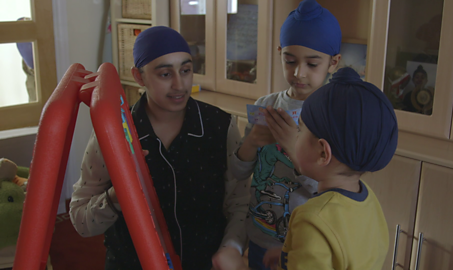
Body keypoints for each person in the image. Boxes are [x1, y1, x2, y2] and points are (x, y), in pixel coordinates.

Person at [69, 26, 250, 270]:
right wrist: (120, 191)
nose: (179, 84)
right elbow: (81, 221)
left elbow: (240, 202)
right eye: (165, 74)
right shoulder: (113, 133)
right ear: (139, 76)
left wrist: (232, 246)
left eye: (185, 70)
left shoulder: (220, 126)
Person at [229, 0, 342, 269]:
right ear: (279, 52)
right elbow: (238, 172)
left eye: (312, 64)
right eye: (289, 60)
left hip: (305, 244)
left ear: (333, 63)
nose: (298, 72)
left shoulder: (333, 117)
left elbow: (335, 192)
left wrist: (295, 149)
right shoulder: (266, 104)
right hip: (260, 235)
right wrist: (250, 145)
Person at [262, 67, 398, 269]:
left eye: (300, 129)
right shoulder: (368, 199)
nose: (296, 136)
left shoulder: (312, 219)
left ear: (323, 153)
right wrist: (288, 258)